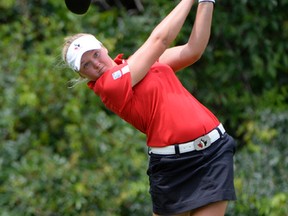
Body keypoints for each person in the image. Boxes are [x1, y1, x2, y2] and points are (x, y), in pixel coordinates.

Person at [62, 0, 237, 215]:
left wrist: (206, 2)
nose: (95, 64)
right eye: (86, 65)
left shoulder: (139, 63)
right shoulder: (108, 86)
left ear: (103, 48)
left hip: (214, 152)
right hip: (173, 166)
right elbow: (160, 40)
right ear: (82, 75)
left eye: (95, 54)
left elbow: (193, 50)